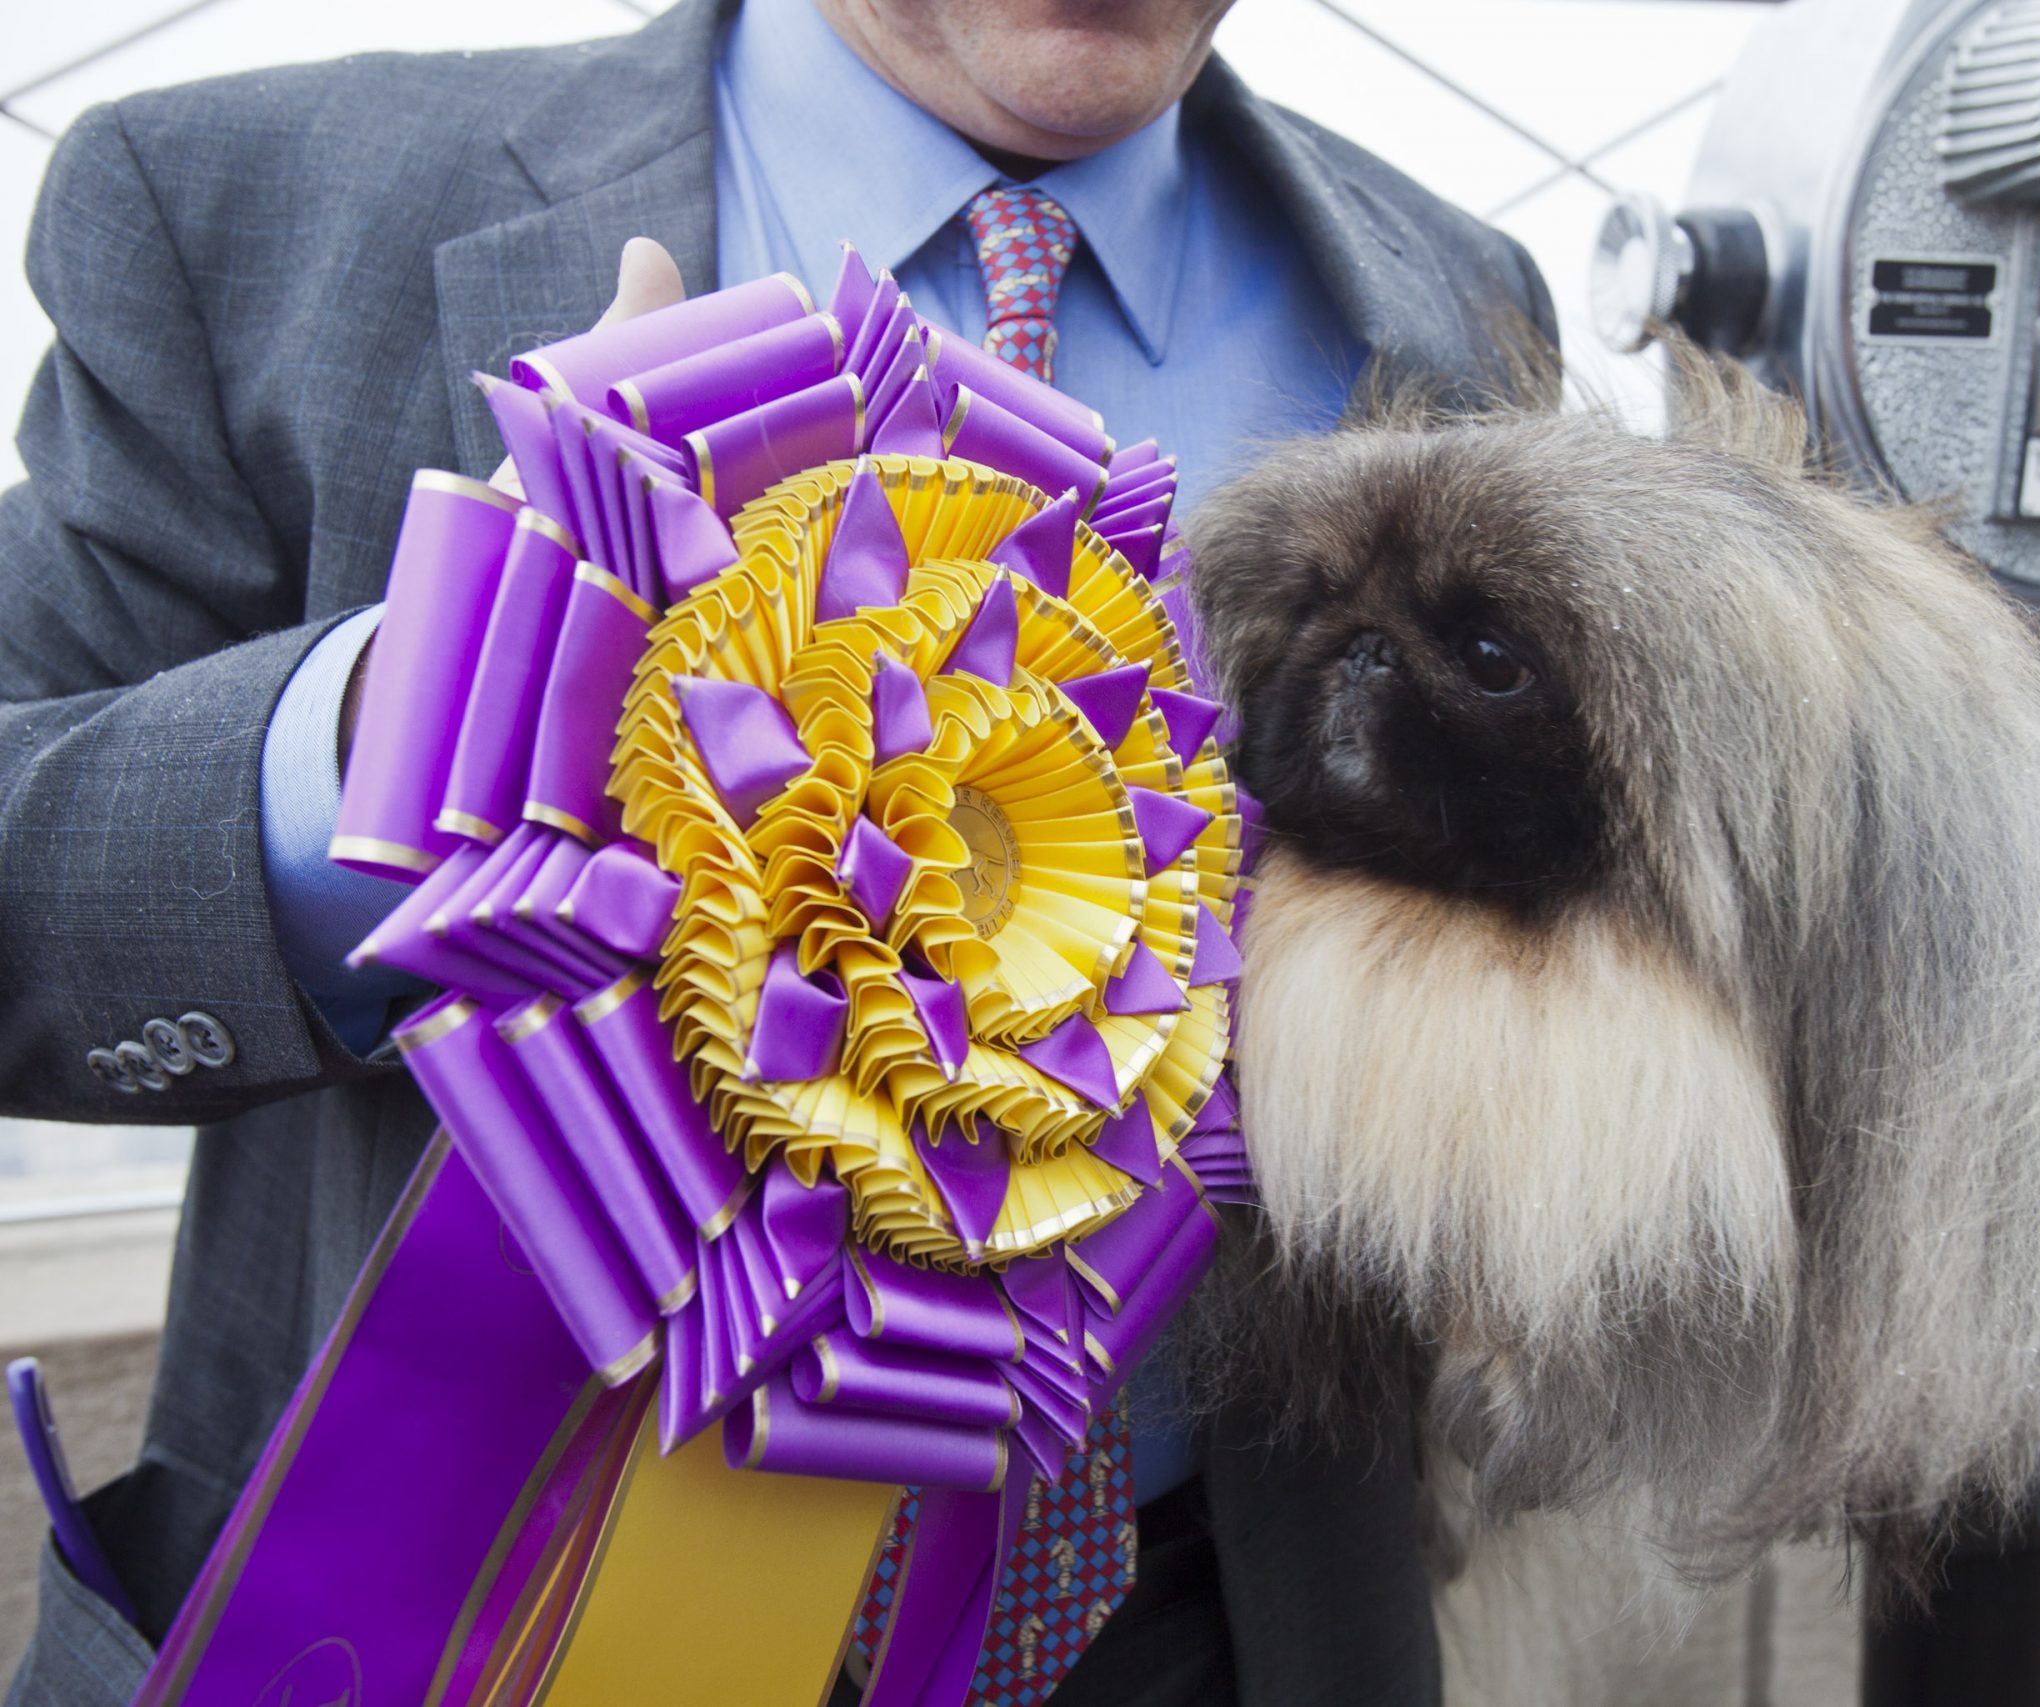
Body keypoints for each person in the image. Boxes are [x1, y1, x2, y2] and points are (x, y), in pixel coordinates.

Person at [0, 0, 1553, 1702]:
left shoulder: (1461, 294)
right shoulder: (249, 203)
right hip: (478, 1631)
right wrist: (390, 736)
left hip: (1216, 1625)